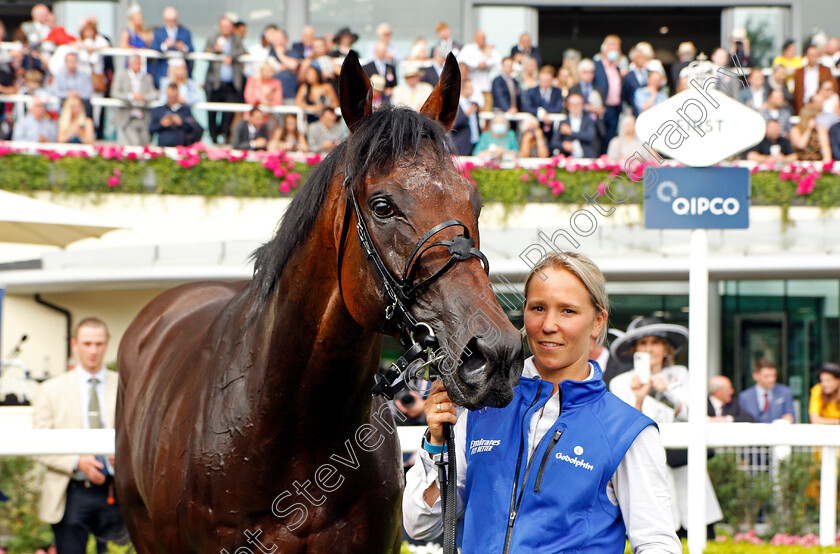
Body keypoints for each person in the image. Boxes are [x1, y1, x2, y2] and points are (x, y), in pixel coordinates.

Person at [404, 252, 681, 552]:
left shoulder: (627, 430)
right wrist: (435, 442)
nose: (549, 325)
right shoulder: (482, 406)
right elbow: (420, 523)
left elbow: (657, 543)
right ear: (524, 311)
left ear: (598, 321)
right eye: (538, 308)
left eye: (568, 311)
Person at [609, 316, 723, 537]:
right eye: (643, 343)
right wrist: (640, 398)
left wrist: (665, 396)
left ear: (666, 348)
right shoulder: (620, 382)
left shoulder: (682, 375)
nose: (649, 348)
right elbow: (624, 427)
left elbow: (696, 415)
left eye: (655, 342)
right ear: (634, 349)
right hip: (645, 466)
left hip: (684, 465)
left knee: (697, 528)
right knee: (654, 532)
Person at [32, 318, 127, 553]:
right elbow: (39, 443)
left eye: (98, 343)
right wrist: (77, 461)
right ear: (75, 344)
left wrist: (125, 457)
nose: (93, 351)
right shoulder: (51, 389)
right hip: (71, 493)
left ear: (106, 344)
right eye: (87, 344)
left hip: (117, 492)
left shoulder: (127, 386)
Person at [204, 16, 246, 144]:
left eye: (228, 26)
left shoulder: (237, 39)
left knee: (228, 113)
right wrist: (215, 51)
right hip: (215, 83)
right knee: (212, 113)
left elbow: (242, 51)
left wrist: (231, 57)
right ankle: (214, 138)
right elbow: (205, 53)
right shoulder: (213, 38)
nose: (225, 28)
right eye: (223, 26)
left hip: (231, 84)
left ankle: (225, 136)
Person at [111, 54, 157, 146]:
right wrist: (131, 96)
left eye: (139, 63)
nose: (138, 66)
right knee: (135, 144)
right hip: (127, 117)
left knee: (145, 144)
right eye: (136, 63)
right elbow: (114, 92)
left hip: (143, 117)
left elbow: (154, 93)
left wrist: (143, 97)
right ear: (129, 64)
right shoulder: (121, 76)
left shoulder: (147, 77)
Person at [738, 358, 796, 423]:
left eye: (773, 375)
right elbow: (741, 420)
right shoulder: (745, 397)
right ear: (755, 376)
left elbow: (791, 415)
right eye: (767, 376)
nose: (771, 379)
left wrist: (789, 419)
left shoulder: (785, 392)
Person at [150, 7, 193, 89]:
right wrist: (165, 45)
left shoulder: (185, 32)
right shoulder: (158, 32)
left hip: (181, 74)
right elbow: (154, 47)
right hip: (164, 72)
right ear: (165, 19)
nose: (172, 22)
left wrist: (183, 47)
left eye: (174, 20)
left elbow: (191, 48)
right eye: (169, 20)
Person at [457, 30, 501, 110]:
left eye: (483, 38)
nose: (482, 40)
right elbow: (461, 59)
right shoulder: (469, 48)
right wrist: (477, 64)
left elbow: (498, 60)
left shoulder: (489, 49)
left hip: (486, 87)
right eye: (480, 38)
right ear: (475, 38)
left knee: (487, 112)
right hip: (471, 86)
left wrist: (486, 63)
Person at [593, 35, 624, 149]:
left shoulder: (617, 68)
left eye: (616, 49)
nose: (614, 52)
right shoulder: (596, 66)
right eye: (611, 49)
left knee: (611, 139)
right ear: (604, 50)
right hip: (601, 108)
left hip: (614, 109)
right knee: (599, 138)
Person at [550, 92, 597, 158]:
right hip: (567, 157)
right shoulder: (563, 122)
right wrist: (563, 145)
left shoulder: (588, 121)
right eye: (572, 104)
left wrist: (571, 132)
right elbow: (554, 142)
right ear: (568, 106)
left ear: (582, 105)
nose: (575, 107)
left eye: (577, 104)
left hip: (586, 156)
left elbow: (590, 136)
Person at [793, 45, 836, 114]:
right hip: (804, 107)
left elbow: (833, 87)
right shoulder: (799, 73)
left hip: (822, 107)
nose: (813, 57)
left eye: (816, 55)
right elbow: (797, 92)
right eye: (811, 55)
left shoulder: (825, 70)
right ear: (806, 55)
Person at [451, 78, 480, 156]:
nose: (472, 89)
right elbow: (452, 125)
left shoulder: (474, 104)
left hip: (475, 141)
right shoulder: (453, 105)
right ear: (463, 89)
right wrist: (465, 114)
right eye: (470, 87)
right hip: (461, 143)